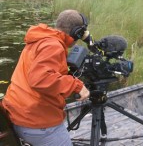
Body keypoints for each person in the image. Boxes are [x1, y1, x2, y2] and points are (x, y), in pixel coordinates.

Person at [2, 9, 90, 145]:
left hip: (16, 112)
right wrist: (76, 85)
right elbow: (40, 79)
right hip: (35, 122)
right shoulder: (53, 46)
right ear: (76, 33)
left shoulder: (41, 38)